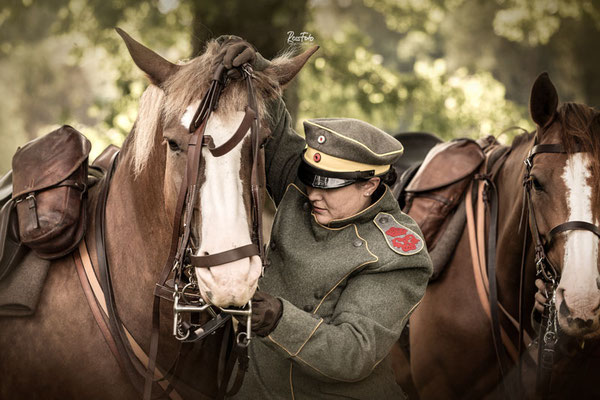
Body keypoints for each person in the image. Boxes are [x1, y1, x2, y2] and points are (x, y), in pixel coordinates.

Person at [217, 38, 433, 399]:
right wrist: (256, 69)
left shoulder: (396, 253)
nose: (312, 194)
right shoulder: (306, 189)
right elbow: (272, 122)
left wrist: (278, 319)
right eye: (311, 181)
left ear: (370, 185)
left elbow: (355, 353)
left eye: (330, 187)